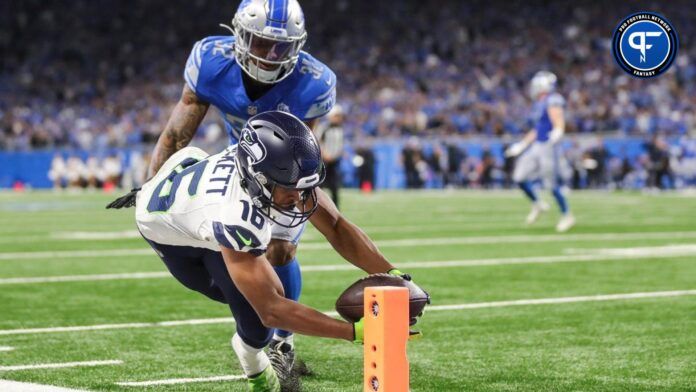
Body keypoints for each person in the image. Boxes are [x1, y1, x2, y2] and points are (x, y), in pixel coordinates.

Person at [114, 112, 422, 391]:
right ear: (258, 178)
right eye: (291, 188)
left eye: (304, 186)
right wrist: (353, 332)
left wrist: (393, 275)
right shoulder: (233, 213)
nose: (301, 197)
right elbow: (271, 308)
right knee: (259, 320)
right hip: (171, 232)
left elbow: (337, 226)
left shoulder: (278, 172)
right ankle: (254, 365)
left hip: (197, 189)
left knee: (270, 279)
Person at [109, 0, 337, 368]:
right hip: (236, 161)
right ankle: (263, 323)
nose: (268, 55)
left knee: (281, 250)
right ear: (239, 35)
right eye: (260, 43)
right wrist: (150, 185)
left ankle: (283, 342)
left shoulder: (313, 82)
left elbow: (303, 149)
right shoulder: (212, 62)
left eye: (281, 46)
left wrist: (289, 207)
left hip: (284, 165)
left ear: (298, 46)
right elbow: (176, 137)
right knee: (245, 250)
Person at [505, 71, 575, 232]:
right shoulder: (539, 103)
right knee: (519, 177)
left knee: (551, 185)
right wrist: (522, 145)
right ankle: (538, 204)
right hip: (537, 144)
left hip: (549, 146)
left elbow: (558, 119)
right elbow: (538, 128)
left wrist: (558, 130)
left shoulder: (553, 99)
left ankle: (567, 215)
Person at [315, 104, 345, 207]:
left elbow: (340, 144)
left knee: (334, 187)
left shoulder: (340, 129)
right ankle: (318, 207)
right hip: (324, 161)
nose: (339, 118)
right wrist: (324, 154)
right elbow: (317, 142)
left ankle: (336, 210)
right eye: (337, 116)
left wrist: (340, 153)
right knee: (320, 186)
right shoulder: (324, 127)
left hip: (334, 161)